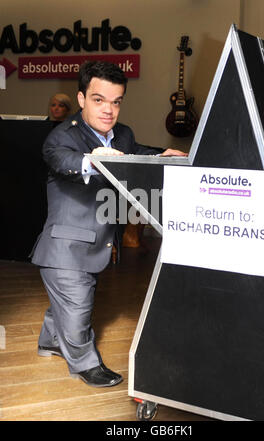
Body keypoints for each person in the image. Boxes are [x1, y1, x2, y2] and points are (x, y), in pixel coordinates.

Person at [31, 60, 187, 388]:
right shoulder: (61, 137)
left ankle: (49, 341)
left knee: (69, 300)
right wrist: (97, 159)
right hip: (65, 248)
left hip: (96, 243)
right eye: (99, 100)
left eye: (116, 102)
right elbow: (65, 161)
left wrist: (160, 156)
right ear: (82, 98)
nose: (108, 110)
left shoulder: (123, 134)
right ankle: (86, 364)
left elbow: (136, 151)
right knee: (78, 305)